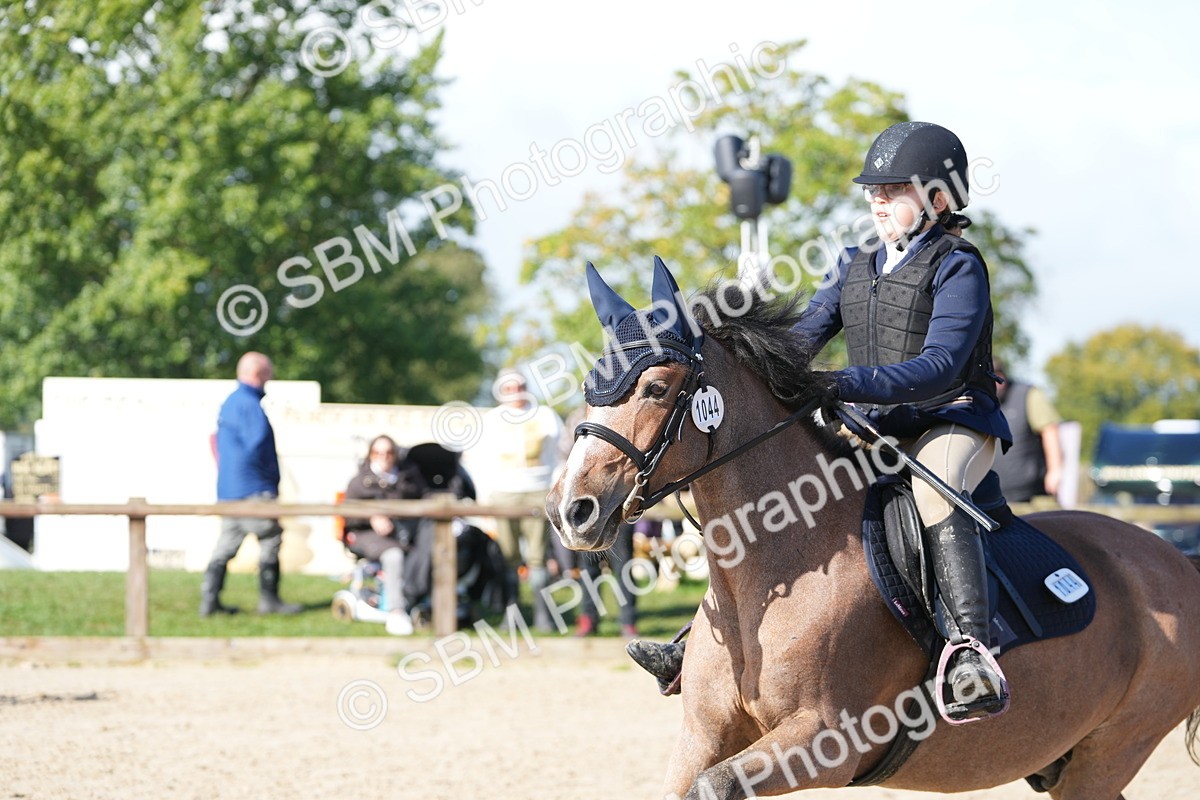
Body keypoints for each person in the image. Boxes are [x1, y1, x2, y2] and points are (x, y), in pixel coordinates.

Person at [630, 122, 1013, 721]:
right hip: (872, 423)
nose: (878, 200)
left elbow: (939, 367)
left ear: (940, 198)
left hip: (951, 420)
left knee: (934, 493)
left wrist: (837, 384)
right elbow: (806, 336)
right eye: (874, 190)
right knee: (775, 489)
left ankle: (970, 651)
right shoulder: (855, 263)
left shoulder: (959, 265)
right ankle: (700, 639)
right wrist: (745, 357)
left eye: (895, 190)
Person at [200, 352, 303, 617]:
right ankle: (269, 601)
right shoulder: (249, 404)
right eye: (269, 374)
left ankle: (209, 602)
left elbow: (216, 443)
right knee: (271, 537)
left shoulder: (231, 402)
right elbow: (257, 446)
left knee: (226, 544)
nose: (270, 380)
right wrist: (268, 482)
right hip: (254, 491)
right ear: (258, 374)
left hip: (229, 492)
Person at [470, 370, 563, 632]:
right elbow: (481, 460)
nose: (515, 392)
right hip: (504, 494)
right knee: (508, 557)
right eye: (509, 388)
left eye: (519, 386)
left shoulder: (545, 416)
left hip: (537, 491)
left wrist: (554, 489)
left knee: (537, 558)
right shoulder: (491, 420)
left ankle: (544, 617)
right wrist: (485, 497)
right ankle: (512, 616)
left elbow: (558, 455)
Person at [342, 435, 428, 635]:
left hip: (404, 534)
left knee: (425, 550)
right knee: (394, 555)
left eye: (388, 452)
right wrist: (371, 516)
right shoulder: (359, 482)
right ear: (370, 454)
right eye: (377, 452)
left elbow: (425, 497)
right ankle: (396, 611)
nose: (383, 457)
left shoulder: (408, 477)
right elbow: (347, 514)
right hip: (366, 534)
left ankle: (423, 600)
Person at [992, 359, 1064, 503]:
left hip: (1033, 492)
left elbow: (1049, 429)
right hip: (995, 494)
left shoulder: (1027, 394)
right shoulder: (981, 400)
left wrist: (1055, 470)